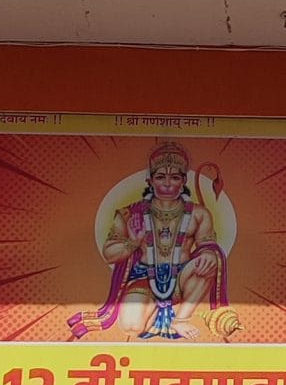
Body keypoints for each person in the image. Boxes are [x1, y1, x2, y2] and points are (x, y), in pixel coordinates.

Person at [96, 141, 230, 339]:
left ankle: (181, 319)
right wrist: (132, 243)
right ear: (150, 181)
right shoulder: (129, 214)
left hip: (183, 278)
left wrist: (209, 254)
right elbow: (109, 254)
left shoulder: (199, 214)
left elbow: (207, 245)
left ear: (183, 181)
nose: (167, 183)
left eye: (175, 177)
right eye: (160, 177)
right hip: (144, 278)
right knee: (131, 327)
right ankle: (154, 312)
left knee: (212, 260)